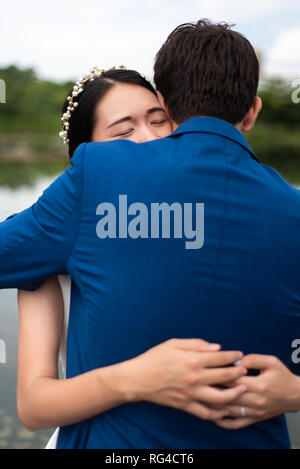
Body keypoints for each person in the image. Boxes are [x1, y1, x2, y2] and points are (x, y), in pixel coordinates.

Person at [0, 19, 300, 448]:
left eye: (155, 120)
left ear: (167, 106)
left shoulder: (96, 179)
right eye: (122, 132)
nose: (143, 138)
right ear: (253, 110)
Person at [17, 68, 246, 448]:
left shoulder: (227, 221)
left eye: (160, 121)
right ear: (84, 158)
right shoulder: (48, 251)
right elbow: (33, 406)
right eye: (123, 133)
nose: (151, 137)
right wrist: (138, 378)